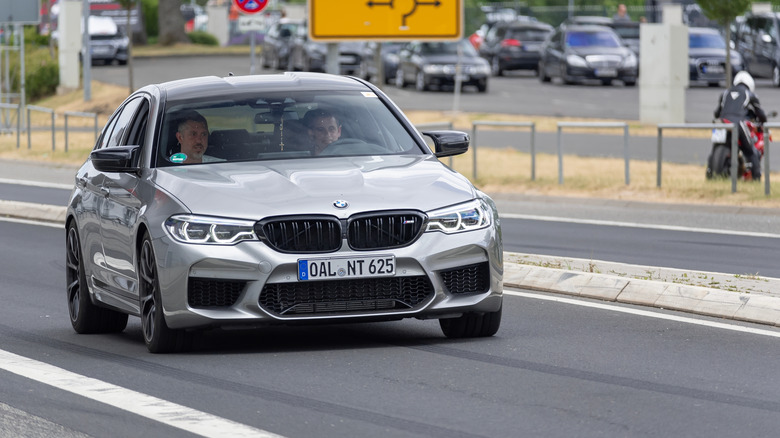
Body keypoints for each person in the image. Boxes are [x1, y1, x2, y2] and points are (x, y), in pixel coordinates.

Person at [713, 71, 767, 181]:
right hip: (738, 123)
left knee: (714, 148)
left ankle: (710, 175)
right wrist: (762, 122)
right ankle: (757, 178)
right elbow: (761, 115)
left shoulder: (725, 93)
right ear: (750, 84)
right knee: (751, 150)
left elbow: (717, 113)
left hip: (721, 122)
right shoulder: (750, 94)